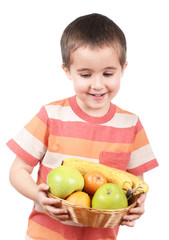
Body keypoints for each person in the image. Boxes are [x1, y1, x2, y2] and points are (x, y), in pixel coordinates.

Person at [7, 13, 158, 240]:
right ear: (67, 71)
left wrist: (137, 206)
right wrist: (37, 196)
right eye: (85, 74)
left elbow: (136, 184)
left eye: (108, 73)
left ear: (123, 69)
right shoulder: (51, 115)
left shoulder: (131, 124)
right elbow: (17, 171)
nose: (97, 85)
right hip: (46, 235)